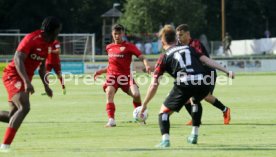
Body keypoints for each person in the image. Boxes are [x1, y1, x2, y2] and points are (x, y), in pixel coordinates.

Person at [139, 25, 234, 148]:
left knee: (163, 113)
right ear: (175, 38)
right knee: (195, 101)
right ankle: (194, 135)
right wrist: (226, 71)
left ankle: (165, 141)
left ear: (162, 41)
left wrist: (145, 104)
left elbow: (154, 84)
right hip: (202, 80)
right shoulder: (190, 48)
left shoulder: (164, 56)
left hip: (185, 83)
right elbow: (207, 60)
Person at [0, 16, 62, 152]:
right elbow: (18, 58)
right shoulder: (31, 38)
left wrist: (46, 86)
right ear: (51, 30)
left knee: (12, 115)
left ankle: (5, 144)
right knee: (25, 107)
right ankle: (5, 146)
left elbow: (41, 68)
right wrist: (26, 82)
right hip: (13, 75)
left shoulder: (48, 44)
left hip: (23, 78)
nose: (58, 34)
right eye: (57, 31)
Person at [93, 24, 151, 127]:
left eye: (119, 34)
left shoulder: (129, 47)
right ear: (112, 34)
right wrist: (100, 72)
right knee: (109, 93)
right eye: (115, 34)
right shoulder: (109, 47)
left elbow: (143, 57)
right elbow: (111, 65)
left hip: (126, 77)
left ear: (123, 33)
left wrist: (146, 65)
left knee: (136, 95)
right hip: (112, 76)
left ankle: (140, 117)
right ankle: (111, 120)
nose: (117, 36)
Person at [176, 24, 231, 125]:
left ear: (188, 34)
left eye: (180, 35)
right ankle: (196, 119)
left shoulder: (196, 44)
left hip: (207, 73)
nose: (178, 37)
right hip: (194, 75)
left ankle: (225, 110)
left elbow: (203, 60)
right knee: (187, 98)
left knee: (204, 97)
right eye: (177, 35)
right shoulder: (179, 46)